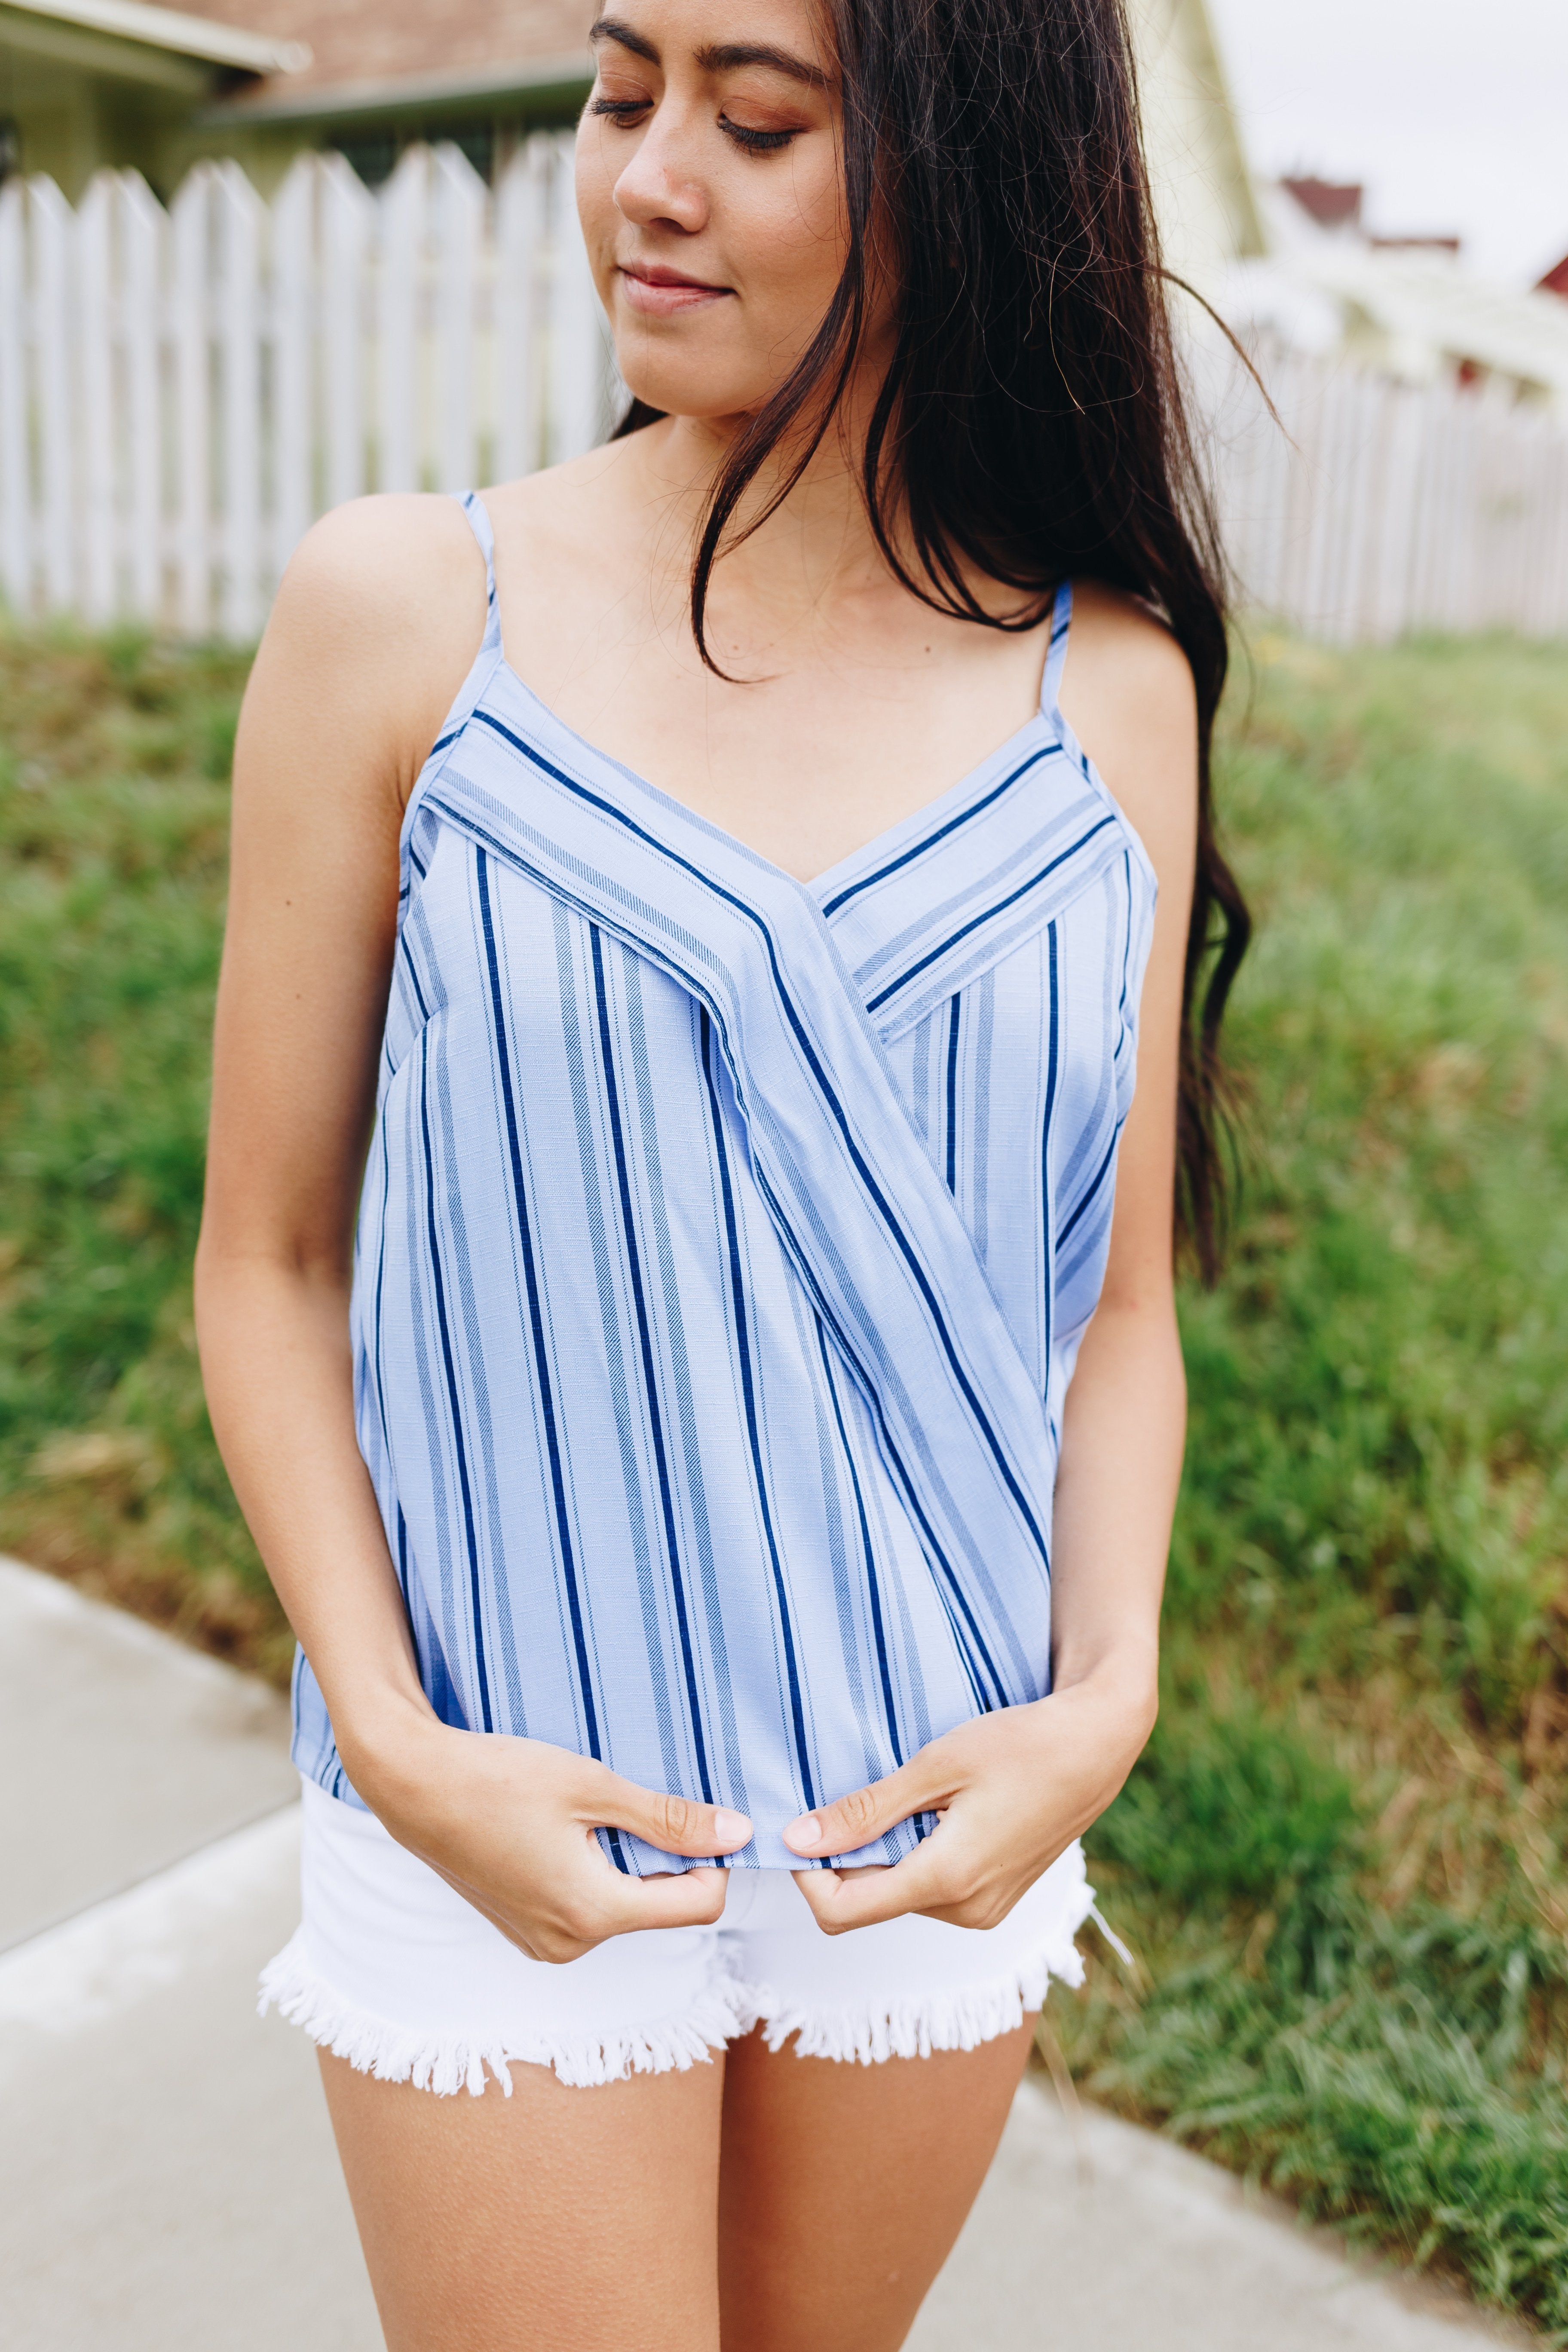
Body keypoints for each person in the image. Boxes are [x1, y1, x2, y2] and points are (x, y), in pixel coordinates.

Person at [195, 0, 1248, 2344]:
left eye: (753, 119)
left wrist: (1107, 1704)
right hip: (502, 1779)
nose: (648, 176)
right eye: (619, 89)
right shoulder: (403, 612)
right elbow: (264, 1264)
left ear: (968, 180)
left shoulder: (1118, 692)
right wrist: (394, 1742)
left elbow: (1115, 1319)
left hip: (932, 1820)